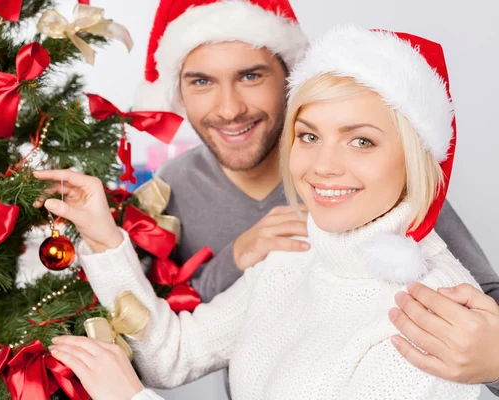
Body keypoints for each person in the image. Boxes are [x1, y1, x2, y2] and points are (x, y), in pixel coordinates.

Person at [38, 25, 489, 399]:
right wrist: (103, 238)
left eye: (362, 140)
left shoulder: (431, 316)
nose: (323, 166)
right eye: (309, 136)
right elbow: (174, 355)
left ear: (415, 159)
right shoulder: (295, 253)